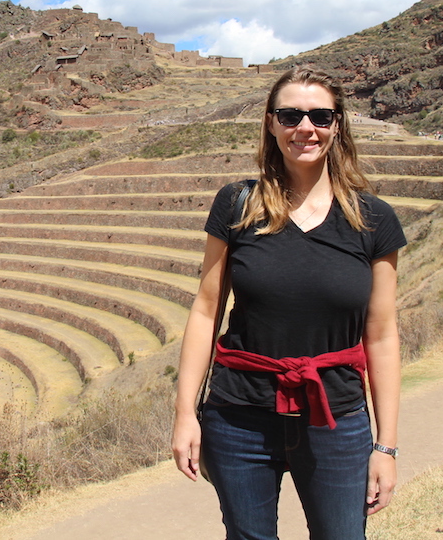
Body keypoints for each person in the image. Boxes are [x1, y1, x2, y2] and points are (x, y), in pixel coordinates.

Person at [171, 67, 407, 540]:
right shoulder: (237, 204)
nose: (306, 128)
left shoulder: (373, 220)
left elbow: (380, 335)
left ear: (337, 124)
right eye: (291, 115)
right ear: (271, 123)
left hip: (336, 418)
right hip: (238, 418)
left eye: (320, 115)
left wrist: (386, 446)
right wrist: (185, 414)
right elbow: (206, 309)